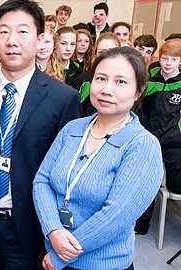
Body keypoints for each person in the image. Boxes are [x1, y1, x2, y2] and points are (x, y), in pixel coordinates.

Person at [33, 46, 163, 270]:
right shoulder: (73, 129)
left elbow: (115, 217)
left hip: (100, 264)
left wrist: (61, 256)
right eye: (101, 78)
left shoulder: (143, 145)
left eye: (120, 82)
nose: (106, 89)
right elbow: (42, 181)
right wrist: (53, 230)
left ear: (139, 91)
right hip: (51, 247)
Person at [0, 1, 82, 269]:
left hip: (28, 225)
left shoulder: (62, 98)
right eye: (4, 32)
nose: (12, 41)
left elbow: (67, 172)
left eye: (22, 32)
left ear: (40, 39)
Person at [135, 38, 181, 235]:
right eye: (164, 58)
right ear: (159, 58)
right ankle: (141, 225)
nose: (168, 63)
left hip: (174, 143)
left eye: (173, 59)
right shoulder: (150, 81)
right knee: (146, 183)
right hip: (149, 140)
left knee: (176, 187)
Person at [75, 32, 121, 116]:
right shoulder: (83, 80)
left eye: (111, 51)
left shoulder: (124, 81)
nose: (106, 56)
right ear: (95, 54)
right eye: (101, 52)